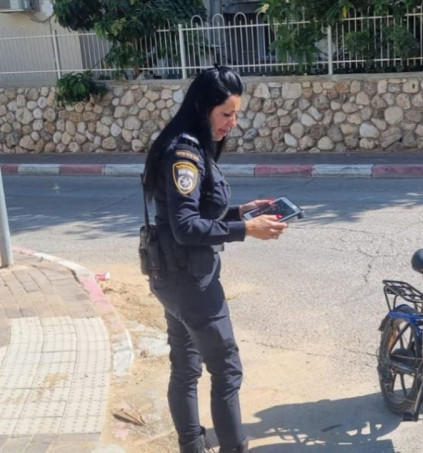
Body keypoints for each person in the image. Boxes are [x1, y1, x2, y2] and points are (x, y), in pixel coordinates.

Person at [141, 65, 288, 453]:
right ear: (202, 107)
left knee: (186, 368)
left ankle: (191, 446)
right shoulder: (185, 153)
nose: (232, 123)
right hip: (190, 282)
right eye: (226, 113)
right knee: (226, 370)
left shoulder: (186, 145)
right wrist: (246, 229)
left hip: (173, 276)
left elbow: (192, 212)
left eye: (236, 114)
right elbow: (186, 227)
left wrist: (240, 212)